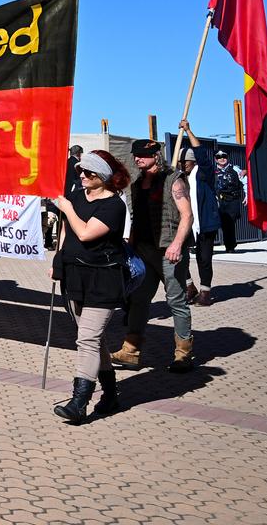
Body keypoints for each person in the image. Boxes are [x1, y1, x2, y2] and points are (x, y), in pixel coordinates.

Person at [51, 150, 130, 423]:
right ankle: (110, 393)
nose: (82, 176)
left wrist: (68, 209)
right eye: (80, 172)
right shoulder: (75, 196)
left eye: (89, 173)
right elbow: (66, 230)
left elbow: (85, 233)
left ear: (103, 178)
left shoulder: (113, 206)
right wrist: (58, 258)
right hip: (75, 276)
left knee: (87, 339)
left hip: (103, 279)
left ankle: (79, 401)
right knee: (96, 340)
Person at [111, 139, 195, 373]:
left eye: (142, 155)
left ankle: (183, 354)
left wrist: (177, 244)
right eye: (135, 154)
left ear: (156, 155)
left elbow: (187, 216)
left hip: (168, 249)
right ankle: (131, 350)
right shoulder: (136, 182)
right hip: (142, 251)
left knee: (176, 301)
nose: (138, 158)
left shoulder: (173, 179)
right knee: (137, 300)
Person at [179, 120, 219, 306]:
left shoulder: (203, 174)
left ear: (192, 162)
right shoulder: (180, 178)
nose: (182, 165)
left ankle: (205, 291)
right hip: (186, 223)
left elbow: (202, 155)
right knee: (179, 257)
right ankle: (189, 287)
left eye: (184, 161)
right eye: (180, 162)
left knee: (204, 258)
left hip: (204, 222)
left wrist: (188, 131)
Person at [214, 150, 245, 252]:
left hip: (232, 200)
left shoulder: (235, 169)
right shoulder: (212, 171)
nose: (222, 158)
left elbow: (245, 182)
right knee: (216, 223)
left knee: (230, 223)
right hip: (219, 200)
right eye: (219, 157)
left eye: (224, 156)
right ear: (215, 159)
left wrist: (247, 195)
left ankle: (230, 246)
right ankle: (209, 246)